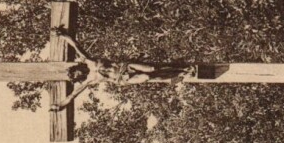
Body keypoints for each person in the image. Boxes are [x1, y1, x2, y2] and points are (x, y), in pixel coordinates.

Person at [48, 30, 193, 111]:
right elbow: (72, 95)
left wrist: (62, 35)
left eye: (74, 72)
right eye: (75, 76)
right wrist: (59, 105)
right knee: (147, 78)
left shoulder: (88, 61)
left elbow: (75, 45)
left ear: (76, 69)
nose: (77, 75)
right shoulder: (87, 81)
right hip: (122, 79)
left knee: (153, 69)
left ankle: (181, 68)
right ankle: (180, 75)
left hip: (125, 67)